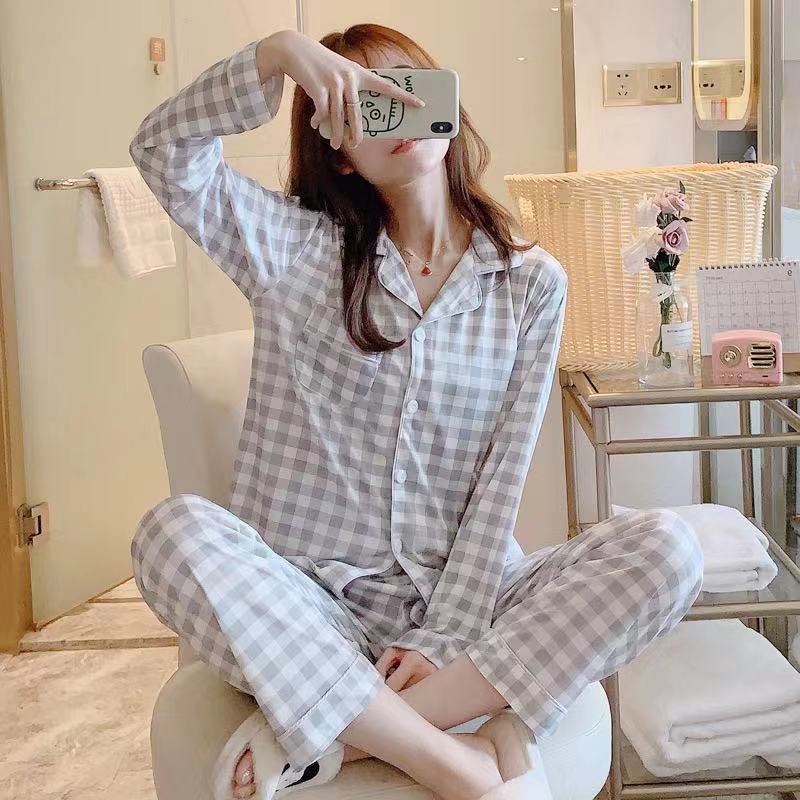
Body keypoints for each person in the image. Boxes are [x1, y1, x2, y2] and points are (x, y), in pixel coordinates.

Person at [129, 23, 704, 800]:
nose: (393, 110)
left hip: (465, 605)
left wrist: (445, 637)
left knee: (670, 549)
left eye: (407, 87)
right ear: (339, 150)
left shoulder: (531, 284)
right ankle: (456, 759)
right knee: (172, 533)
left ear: (445, 101)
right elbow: (162, 152)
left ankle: (345, 738)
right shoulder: (291, 251)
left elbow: (500, 484)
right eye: (363, 104)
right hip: (312, 608)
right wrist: (277, 56)